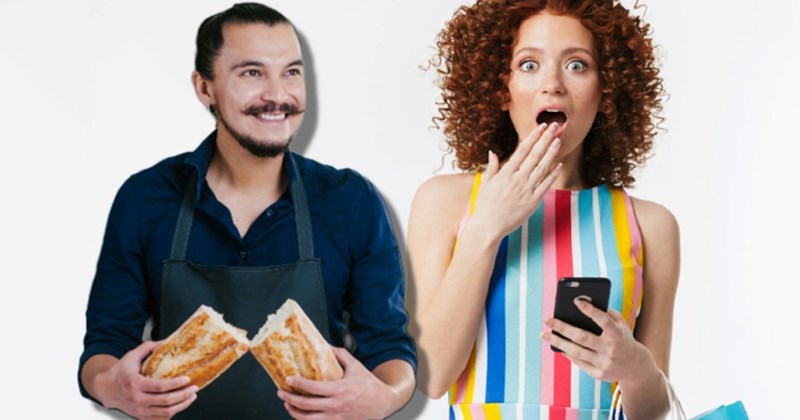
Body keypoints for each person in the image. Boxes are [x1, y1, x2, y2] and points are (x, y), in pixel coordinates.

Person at [78, 3, 415, 419]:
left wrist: (387, 396)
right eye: (252, 73)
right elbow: (105, 345)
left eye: (291, 72)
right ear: (205, 88)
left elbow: (390, 347)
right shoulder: (147, 198)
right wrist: (111, 387)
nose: (277, 95)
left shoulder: (350, 200)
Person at [407, 0, 677, 418]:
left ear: (606, 89)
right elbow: (430, 376)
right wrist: (486, 230)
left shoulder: (651, 225)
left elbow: (655, 413)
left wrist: (637, 369)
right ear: (501, 88)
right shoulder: (445, 202)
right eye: (529, 65)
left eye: (577, 65)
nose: (552, 84)